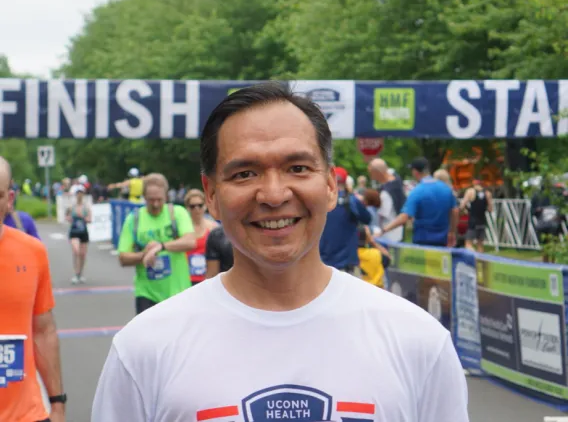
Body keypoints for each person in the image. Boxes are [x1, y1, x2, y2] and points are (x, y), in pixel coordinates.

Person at [92, 83, 469, 422]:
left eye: (298, 167)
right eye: (245, 174)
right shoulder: (143, 349)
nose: (274, 195)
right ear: (211, 195)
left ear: (330, 185)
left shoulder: (419, 341)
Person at [0, 157, 66, 422]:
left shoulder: (32, 251)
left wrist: (58, 403)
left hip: (27, 414)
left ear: (9, 199)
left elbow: (44, 331)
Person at [116, 173, 197, 314]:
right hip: (147, 293)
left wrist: (161, 246)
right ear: (144, 197)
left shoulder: (177, 213)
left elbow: (190, 242)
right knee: (147, 336)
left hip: (178, 292)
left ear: (166, 196)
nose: (155, 204)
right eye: (150, 200)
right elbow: (123, 258)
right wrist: (144, 255)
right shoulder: (133, 219)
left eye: (159, 200)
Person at [378, 157, 459, 248]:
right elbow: (455, 211)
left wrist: (383, 230)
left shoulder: (417, 191)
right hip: (443, 241)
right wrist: (452, 232)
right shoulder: (446, 188)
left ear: (415, 172)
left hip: (423, 241)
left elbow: (404, 217)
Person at [319, 166, 371, 275]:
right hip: (347, 262)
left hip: (323, 261)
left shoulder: (319, 201)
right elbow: (367, 218)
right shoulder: (352, 201)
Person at [184, 189, 218, 284]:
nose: (197, 209)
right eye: (192, 206)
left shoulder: (213, 227)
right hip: (186, 279)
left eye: (200, 205)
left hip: (207, 279)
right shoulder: (182, 229)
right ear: (187, 208)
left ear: (205, 206)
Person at [368, 158, 406, 242]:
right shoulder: (396, 180)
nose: (370, 176)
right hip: (398, 231)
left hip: (390, 235)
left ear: (377, 173)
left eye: (371, 173)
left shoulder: (386, 193)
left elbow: (381, 215)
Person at [66, 185, 91, 284]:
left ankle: (80, 273)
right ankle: (76, 274)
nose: (80, 196)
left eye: (81, 194)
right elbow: (67, 216)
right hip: (74, 232)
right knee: (76, 251)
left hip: (83, 232)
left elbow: (90, 219)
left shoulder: (86, 207)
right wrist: (70, 219)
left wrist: (85, 219)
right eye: (78, 194)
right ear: (76, 195)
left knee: (83, 254)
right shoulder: (71, 207)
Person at [460, 178, 493, 252]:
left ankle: (472, 259)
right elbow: (490, 209)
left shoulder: (470, 191)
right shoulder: (487, 193)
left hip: (473, 221)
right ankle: (482, 262)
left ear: (473, 183)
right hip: (482, 221)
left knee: (468, 243)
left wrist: (466, 210)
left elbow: (462, 205)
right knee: (480, 245)